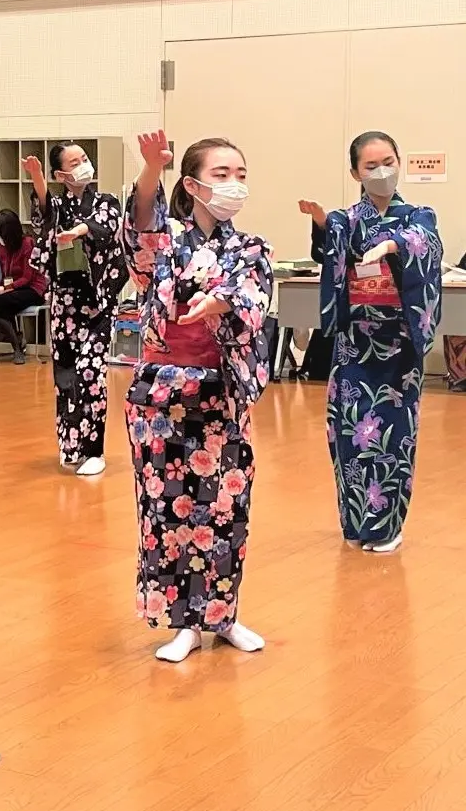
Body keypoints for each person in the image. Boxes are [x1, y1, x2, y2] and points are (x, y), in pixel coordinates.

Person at [125, 130, 272, 663]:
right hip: (162, 394)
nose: (234, 184)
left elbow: (254, 296)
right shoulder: (166, 239)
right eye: (221, 174)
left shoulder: (251, 247)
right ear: (191, 184)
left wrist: (220, 303)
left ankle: (223, 615)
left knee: (225, 505)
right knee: (166, 507)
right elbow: (139, 231)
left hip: (221, 390)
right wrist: (151, 168)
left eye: (240, 175)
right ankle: (183, 623)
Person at [299, 131, 443, 553]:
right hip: (355, 343)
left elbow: (425, 241)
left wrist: (393, 244)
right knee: (349, 431)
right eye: (371, 166)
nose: (382, 172)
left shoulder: (418, 214)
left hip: (398, 343)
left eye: (388, 163)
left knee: (392, 433)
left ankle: (386, 526)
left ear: (399, 162)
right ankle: (355, 522)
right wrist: (321, 222)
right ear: (355, 173)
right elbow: (328, 250)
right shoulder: (346, 219)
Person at [22, 143, 126, 475]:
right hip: (65, 303)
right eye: (74, 162)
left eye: (84, 159)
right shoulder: (57, 204)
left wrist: (79, 230)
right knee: (66, 375)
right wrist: (37, 178)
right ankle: (71, 447)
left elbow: (106, 225)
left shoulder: (106, 201)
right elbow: (43, 212)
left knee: (90, 372)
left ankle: (94, 451)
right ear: (61, 174)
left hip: (98, 304)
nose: (83, 165)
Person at [0, 208, 48, 364]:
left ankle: (17, 347)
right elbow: (5, 277)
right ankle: (16, 339)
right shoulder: (2, 247)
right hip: (12, 289)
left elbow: (27, 278)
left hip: (32, 289)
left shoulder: (27, 244)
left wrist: (4, 289)